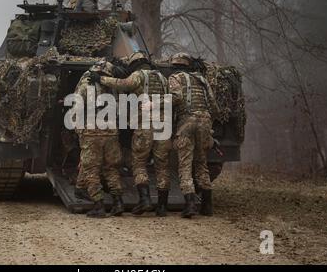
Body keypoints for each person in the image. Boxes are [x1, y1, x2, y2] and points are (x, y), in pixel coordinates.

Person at [89, 52, 172, 217]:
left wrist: (101, 79)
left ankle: (145, 200)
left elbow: (123, 84)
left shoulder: (139, 75)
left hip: (145, 124)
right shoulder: (162, 78)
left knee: (139, 163)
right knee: (162, 165)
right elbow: (171, 98)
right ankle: (162, 207)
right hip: (164, 125)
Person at [168, 53, 220, 218]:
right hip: (204, 122)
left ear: (175, 65)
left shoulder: (175, 78)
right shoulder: (202, 79)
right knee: (201, 163)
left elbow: (176, 98)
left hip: (186, 123)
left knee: (185, 164)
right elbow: (214, 105)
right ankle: (207, 205)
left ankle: (190, 204)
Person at [74, 61, 124, 218]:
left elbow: (76, 110)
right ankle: (118, 202)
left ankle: (99, 205)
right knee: (111, 168)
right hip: (111, 132)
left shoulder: (85, 86)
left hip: (92, 132)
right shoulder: (113, 89)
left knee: (91, 169)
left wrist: (79, 131)